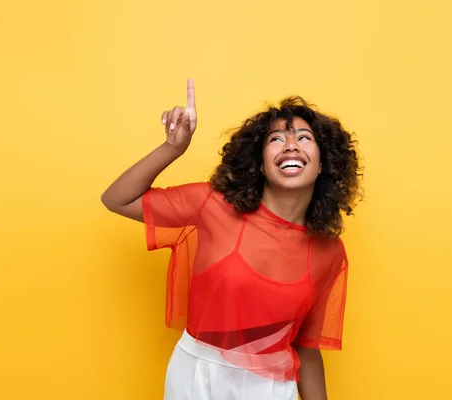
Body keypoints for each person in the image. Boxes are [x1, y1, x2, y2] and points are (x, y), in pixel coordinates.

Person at [101, 78, 361, 400]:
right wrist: (173, 148)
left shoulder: (329, 251)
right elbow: (117, 199)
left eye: (304, 138)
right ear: (262, 163)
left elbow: (306, 349)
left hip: (271, 390)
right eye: (276, 139)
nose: (290, 145)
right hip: (196, 379)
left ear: (324, 164)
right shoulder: (212, 205)